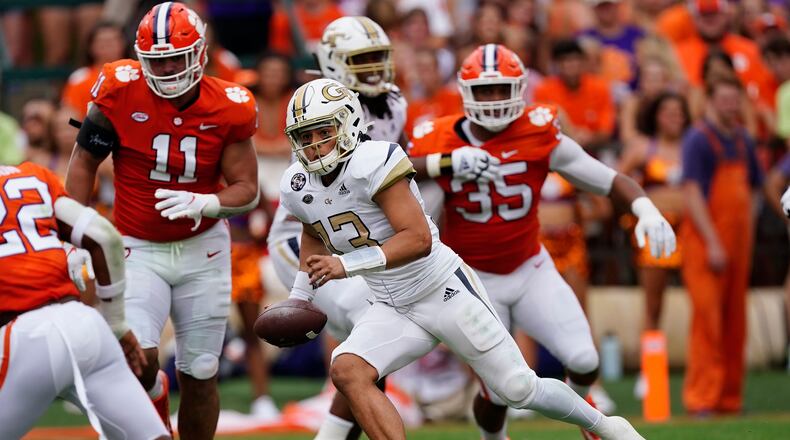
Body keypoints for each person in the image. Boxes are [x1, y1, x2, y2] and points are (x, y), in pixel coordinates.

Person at [280, 76, 645, 440]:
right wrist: (300, 296)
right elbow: (314, 232)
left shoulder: (375, 160)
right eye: (304, 137)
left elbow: (418, 239)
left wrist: (345, 265)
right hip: (390, 305)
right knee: (346, 369)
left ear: (348, 123)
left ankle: (606, 428)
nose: (313, 146)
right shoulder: (298, 183)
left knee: (517, 388)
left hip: (441, 290)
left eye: (321, 131)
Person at [408, 44, 676, 440]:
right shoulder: (439, 137)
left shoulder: (538, 131)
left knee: (585, 361)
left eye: (502, 89)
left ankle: (587, 423)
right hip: (473, 278)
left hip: (530, 265)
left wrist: (646, 209)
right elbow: (396, 176)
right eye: (485, 90)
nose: (495, 99)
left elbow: (604, 178)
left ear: (519, 89)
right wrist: (444, 163)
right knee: (499, 390)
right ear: (466, 93)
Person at [65, 3, 259, 438]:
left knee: (202, 372)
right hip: (135, 246)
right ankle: (154, 393)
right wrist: (72, 237)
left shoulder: (230, 105)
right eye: (157, 60)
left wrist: (206, 203)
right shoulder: (117, 87)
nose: (168, 69)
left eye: (176, 58)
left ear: (200, 54)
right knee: (137, 358)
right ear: (140, 57)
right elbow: (83, 164)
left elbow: (246, 188)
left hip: (203, 248)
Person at [267, 16, 414, 439]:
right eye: (360, 60)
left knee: (369, 357)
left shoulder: (393, 102)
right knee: (371, 338)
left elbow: (396, 174)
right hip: (302, 237)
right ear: (332, 63)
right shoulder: (319, 109)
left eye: (376, 59)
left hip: (352, 239)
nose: (373, 70)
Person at [0, 161, 169, 440]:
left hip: (23, 337)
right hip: (85, 325)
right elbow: (104, 238)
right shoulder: (34, 175)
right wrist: (116, 324)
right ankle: (152, 393)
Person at [680, 76, 764, 416]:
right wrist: (713, 242)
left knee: (735, 322)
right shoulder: (699, 139)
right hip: (705, 244)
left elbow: (756, 188)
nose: (731, 106)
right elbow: (691, 193)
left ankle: (730, 398)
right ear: (711, 101)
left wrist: (750, 233)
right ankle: (702, 398)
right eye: (725, 100)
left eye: (735, 100)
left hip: (739, 244)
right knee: (708, 322)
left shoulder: (744, 138)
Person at [619, 92, 690, 332]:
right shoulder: (643, 148)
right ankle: (651, 367)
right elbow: (618, 181)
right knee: (654, 303)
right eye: (668, 112)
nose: (675, 117)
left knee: (701, 297)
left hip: (690, 227)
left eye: (679, 113)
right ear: (656, 116)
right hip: (657, 228)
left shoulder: (693, 146)